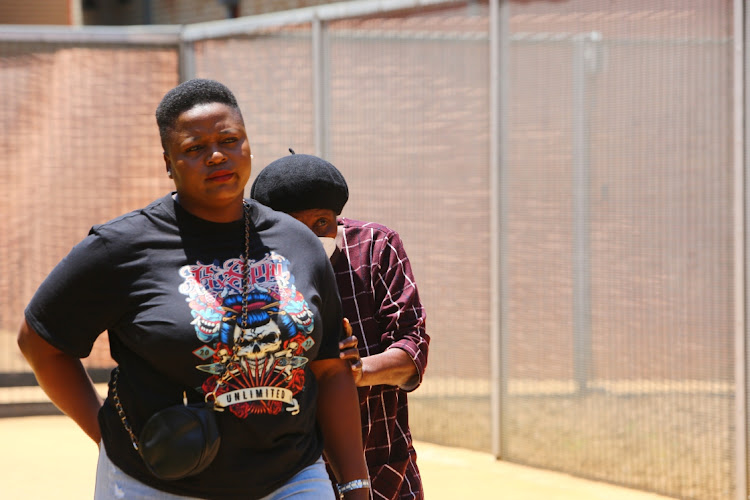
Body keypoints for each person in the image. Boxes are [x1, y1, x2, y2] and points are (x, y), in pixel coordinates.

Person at [17, 79, 369, 500]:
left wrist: (354, 483)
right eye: (194, 148)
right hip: (157, 484)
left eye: (229, 140)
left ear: (248, 145)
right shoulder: (122, 247)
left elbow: (330, 369)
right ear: (168, 162)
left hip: (291, 478)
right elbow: (41, 344)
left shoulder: (297, 242)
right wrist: (107, 434)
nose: (217, 155)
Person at [250, 152, 430, 500]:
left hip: (383, 472)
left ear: (338, 218)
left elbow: (413, 347)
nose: (310, 238)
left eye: (321, 223)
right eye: (294, 228)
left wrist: (361, 370)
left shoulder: (375, 249)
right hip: (289, 478)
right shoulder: (250, 270)